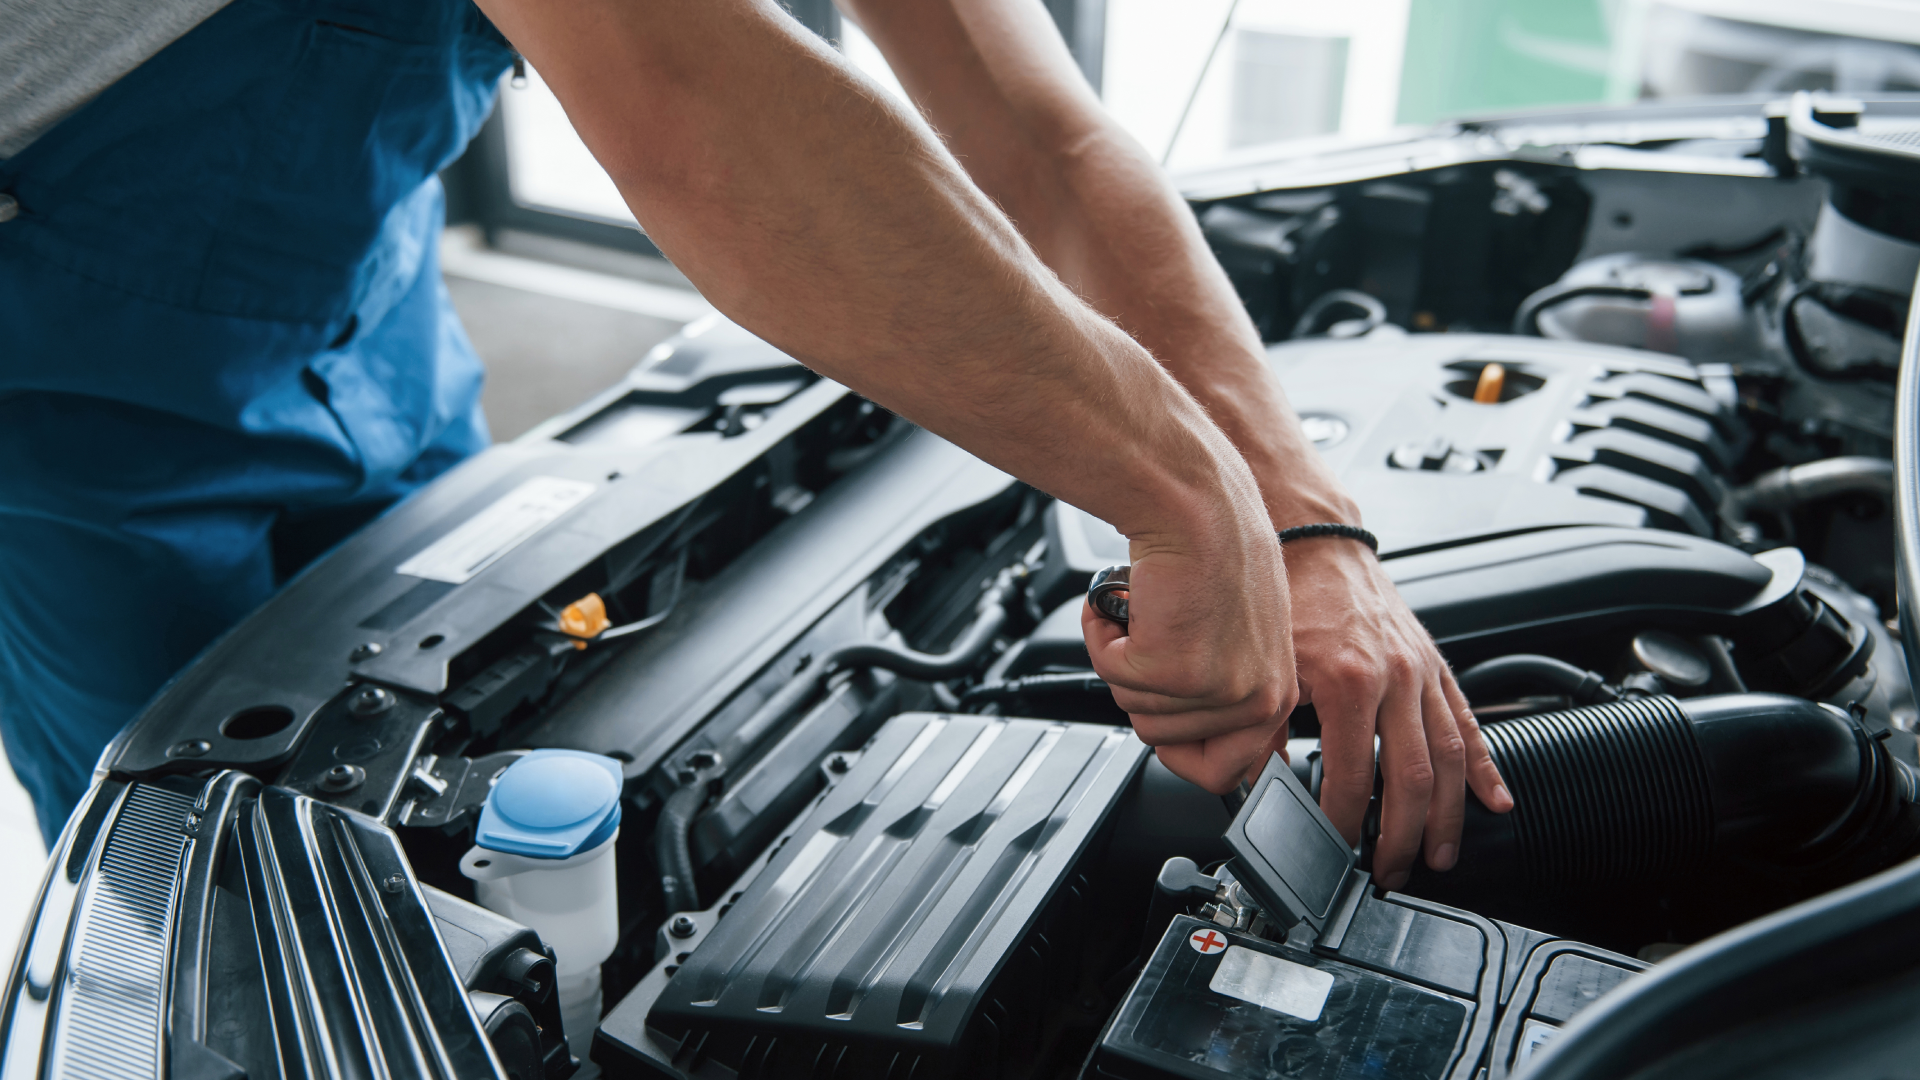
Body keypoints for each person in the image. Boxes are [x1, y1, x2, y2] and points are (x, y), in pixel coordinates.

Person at [0, 0, 1509, 888]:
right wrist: (1188, 500)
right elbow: (685, 93)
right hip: (46, 365)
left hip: (339, 271)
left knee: (448, 694)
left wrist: (1299, 519)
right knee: (207, 856)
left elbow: (1041, 136)